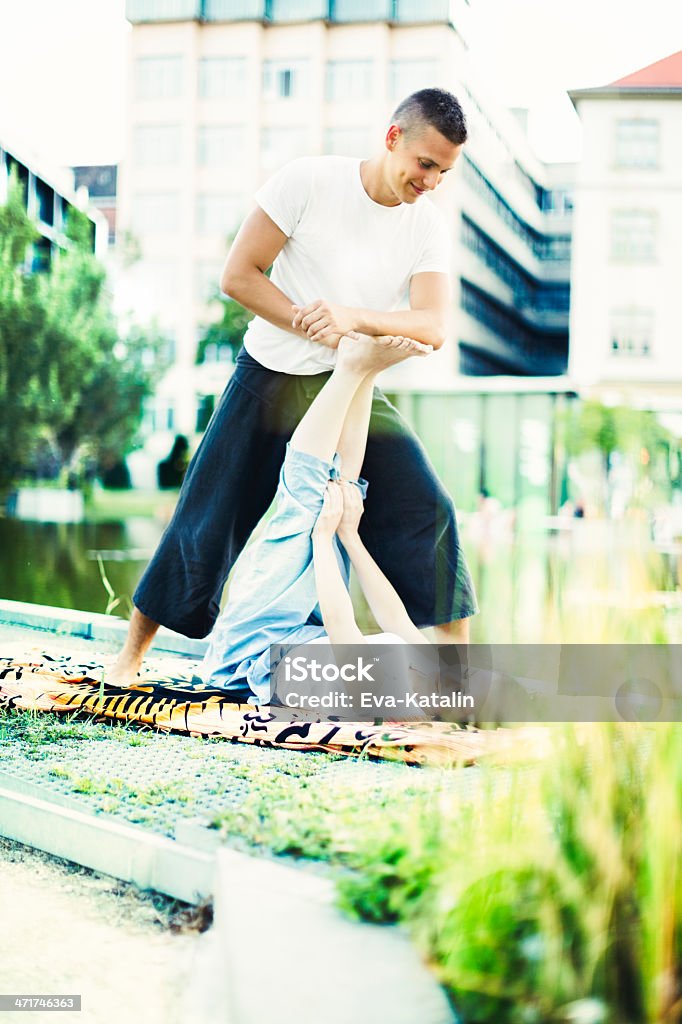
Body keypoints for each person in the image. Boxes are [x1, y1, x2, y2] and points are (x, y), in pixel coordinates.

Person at [110, 87, 478, 685]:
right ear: (393, 139)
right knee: (207, 516)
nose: (432, 181)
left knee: (428, 507)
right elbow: (238, 275)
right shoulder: (306, 182)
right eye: (426, 164)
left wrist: (351, 321)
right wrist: (315, 325)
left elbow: (432, 324)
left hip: (348, 385)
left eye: (444, 171)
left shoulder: (426, 226)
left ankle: (459, 677)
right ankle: (130, 657)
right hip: (270, 374)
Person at [200, 332, 433, 704]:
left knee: (308, 505)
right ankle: (365, 372)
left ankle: (351, 368)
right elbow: (398, 624)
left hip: (247, 655)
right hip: (305, 630)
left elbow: (346, 640)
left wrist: (325, 539)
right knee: (344, 493)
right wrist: (349, 537)